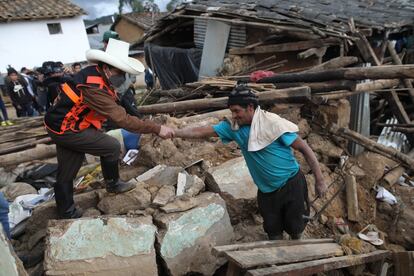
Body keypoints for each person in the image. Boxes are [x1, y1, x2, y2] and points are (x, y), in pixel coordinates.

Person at [174, 83, 327, 240]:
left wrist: (320, 180)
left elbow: (305, 149)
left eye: (237, 111)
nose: (233, 115)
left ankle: (297, 256)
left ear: (250, 107)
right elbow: (202, 131)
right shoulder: (234, 128)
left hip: (291, 185)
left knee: (296, 228)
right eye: (231, 111)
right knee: (273, 231)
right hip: (266, 192)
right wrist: (174, 132)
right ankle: (276, 261)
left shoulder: (272, 124)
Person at [44, 39, 174, 219]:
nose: (122, 77)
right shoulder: (94, 87)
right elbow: (121, 119)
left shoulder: (96, 75)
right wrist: (155, 128)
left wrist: (140, 118)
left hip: (60, 125)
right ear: (108, 68)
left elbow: (122, 106)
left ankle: (66, 212)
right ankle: (112, 184)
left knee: (68, 169)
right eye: (121, 72)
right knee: (111, 146)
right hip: (67, 128)